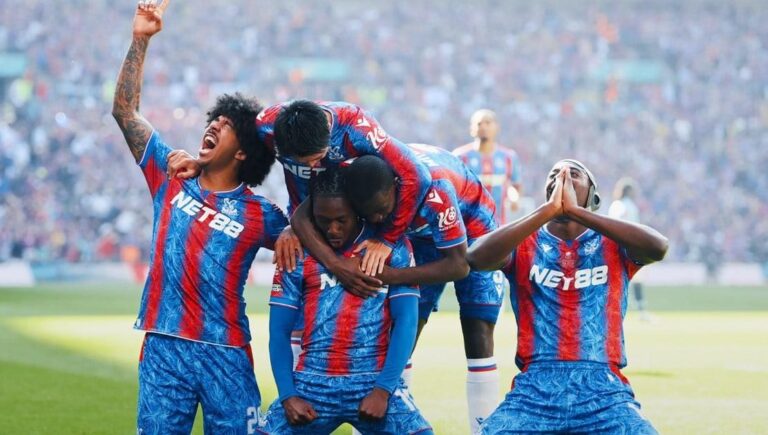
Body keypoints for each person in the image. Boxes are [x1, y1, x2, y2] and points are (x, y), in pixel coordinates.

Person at [112, 1, 287, 433]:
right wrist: (140, 40)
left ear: (243, 151)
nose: (213, 125)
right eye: (214, 119)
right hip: (164, 346)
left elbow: (311, 231)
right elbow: (125, 113)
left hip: (226, 352)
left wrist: (295, 232)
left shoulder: (262, 215)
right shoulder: (170, 175)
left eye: (226, 125)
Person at [466, 159, 668, 434]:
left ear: (592, 195)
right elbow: (475, 258)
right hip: (535, 390)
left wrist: (577, 212)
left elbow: (658, 247)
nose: (562, 178)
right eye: (554, 175)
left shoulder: (614, 243)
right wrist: (547, 212)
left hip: (604, 390)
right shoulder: (524, 243)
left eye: (574, 174)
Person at [167, 99, 433, 294]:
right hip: (305, 215)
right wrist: (202, 164)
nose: (314, 167)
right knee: (297, 273)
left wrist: (387, 238)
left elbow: (417, 175)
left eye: (318, 158)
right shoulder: (266, 126)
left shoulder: (358, 128)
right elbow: (232, 145)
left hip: (352, 218)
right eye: (302, 163)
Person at [343, 145, 503, 433]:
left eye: (382, 210)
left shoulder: (434, 192)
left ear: (396, 186)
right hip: (419, 232)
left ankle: (484, 429)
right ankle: (387, 421)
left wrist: (393, 276)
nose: (378, 220)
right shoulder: (356, 178)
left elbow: (459, 265)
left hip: (473, 224)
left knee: (477, 330)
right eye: (369, 215)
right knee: (400, 330)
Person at [264, 168, 433, 434]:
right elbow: (278, 331)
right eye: (323, 220)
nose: (332, 229)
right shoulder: (296, 251)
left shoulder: (389, 247)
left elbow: (407, 321)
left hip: (373, 382)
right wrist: (288, 395)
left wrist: (383, 390)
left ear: (357, 211)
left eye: (341, 220)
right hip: (312, 384)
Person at [453, 109, 523, 225]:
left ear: (497, 127)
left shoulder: (509, 157)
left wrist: (514, 198)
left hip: (499, 224)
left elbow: (515, 185)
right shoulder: (460, 157)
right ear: (472, 129)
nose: (484, 127)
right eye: (479, 124)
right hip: (468, 224)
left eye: (488, 123)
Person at [609, 177, 650, 320]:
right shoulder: (628, 205)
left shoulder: (615, 205)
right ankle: (641, 311)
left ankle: (616, 309)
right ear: (629, 191)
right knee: (635, 278)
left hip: (617, 246)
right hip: (630, 246)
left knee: (619, 279)